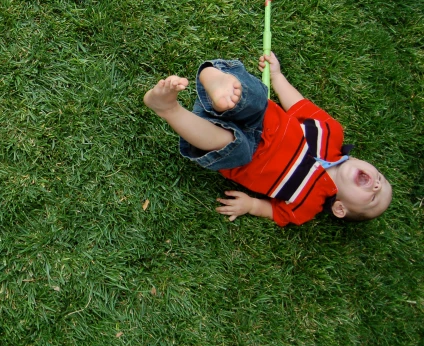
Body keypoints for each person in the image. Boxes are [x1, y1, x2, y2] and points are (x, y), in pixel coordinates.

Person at [143, 52, 392, 226]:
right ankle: (213, 77)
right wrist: (277, 76)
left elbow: (276, 211)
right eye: (380, 178)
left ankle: (168, 109)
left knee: (235, 147)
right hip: (257, 115)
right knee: (257, 98)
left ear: (340, 209)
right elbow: (298, 105)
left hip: (237, 149)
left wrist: (251, 205)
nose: (376, 185)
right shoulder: (331, 132)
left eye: (372, 198)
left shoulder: (307, 205)